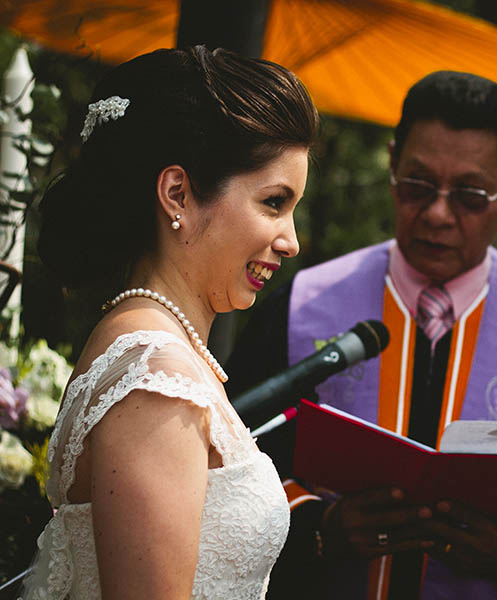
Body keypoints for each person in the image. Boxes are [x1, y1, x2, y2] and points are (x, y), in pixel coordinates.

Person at [225, 70, 497, 599]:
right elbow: (227, 464)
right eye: (417, 185)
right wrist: (321, 526)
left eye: (469, 194)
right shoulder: (302, 308)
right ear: (391, 164)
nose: (437, 213)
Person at [24, 46, 318, 599]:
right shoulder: (154, 380)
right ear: (177, 193)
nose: (291, 240)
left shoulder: (151, 348)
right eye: (274, 203)